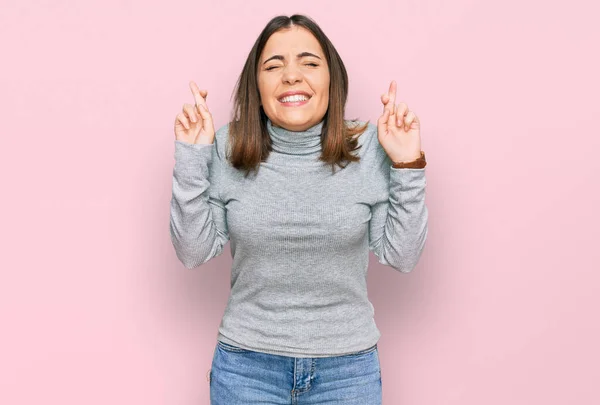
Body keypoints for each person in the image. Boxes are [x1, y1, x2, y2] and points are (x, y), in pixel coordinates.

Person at [170, 13, 428, 405]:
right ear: (256, 86)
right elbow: (193, 252)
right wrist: (193, 157)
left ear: (332, 79)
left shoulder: (372, 146)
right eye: (274, 65)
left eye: (309, 62)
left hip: (348, 372)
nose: (291, 76)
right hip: (246, 369)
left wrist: (407, 163)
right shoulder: (226, 147)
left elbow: (402, 256)